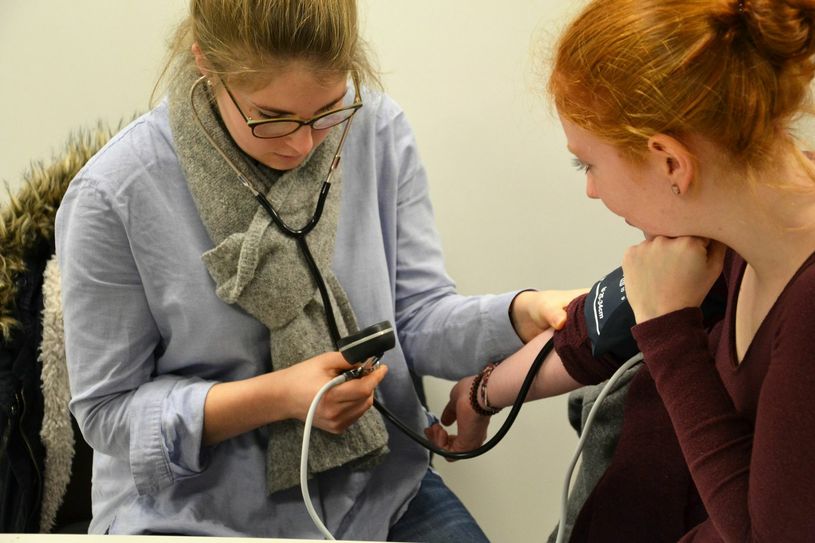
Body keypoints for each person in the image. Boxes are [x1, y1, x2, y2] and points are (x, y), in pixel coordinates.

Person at [55, 0, 576, 539]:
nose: (303, 144)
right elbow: (106, 412)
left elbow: (416, 321)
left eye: (328, 111)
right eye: (271, 118)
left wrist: (519, 314)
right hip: (196, 513)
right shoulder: (113, 196)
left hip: (377, 494)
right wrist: (277, 397)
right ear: (206, 63)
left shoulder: (376, 128)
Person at [428, 0, 815, 541]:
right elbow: (592, 330)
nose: (591, 189)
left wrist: (669, 335)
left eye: (588, 163)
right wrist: (480, 393)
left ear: (670, 162)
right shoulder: (740, 218)